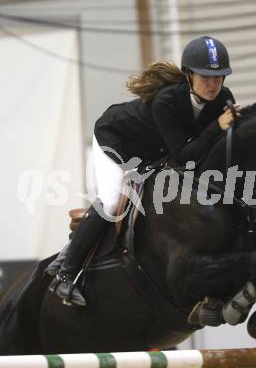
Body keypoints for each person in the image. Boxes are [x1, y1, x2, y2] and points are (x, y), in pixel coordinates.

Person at [48, 35, 239, 306]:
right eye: (206, 77)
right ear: (188, 75)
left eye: (219, 77)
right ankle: (66, 276)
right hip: (115, 140)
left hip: (153, 151)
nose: (213, 84)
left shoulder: (224, 99)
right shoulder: (166, 101)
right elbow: (185, 155)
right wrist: (217, 127)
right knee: (113, 202)